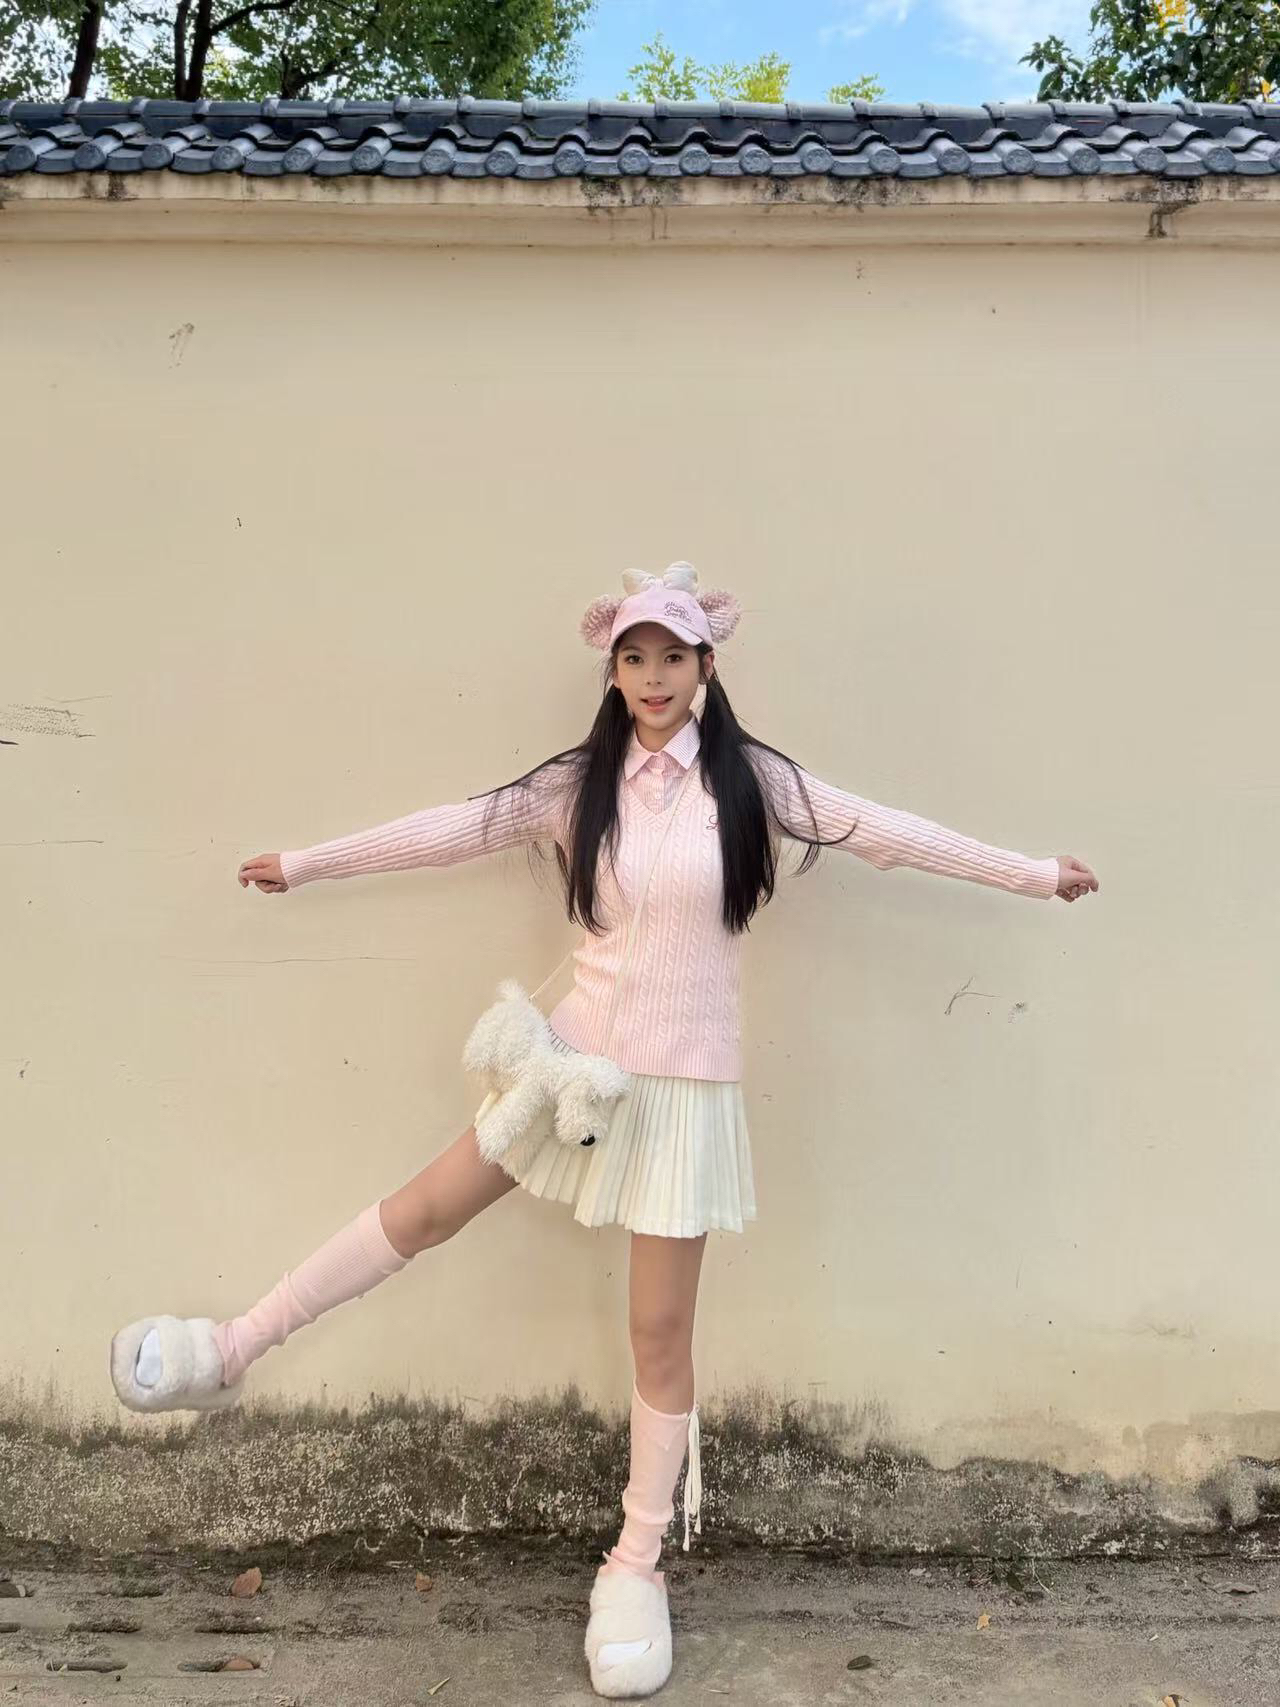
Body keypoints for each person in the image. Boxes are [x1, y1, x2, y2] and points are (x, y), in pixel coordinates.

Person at [108, 560, 1099, 1699]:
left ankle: (634, 1564)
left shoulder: (753, 781)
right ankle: (229, 1350)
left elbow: (885, 831)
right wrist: (306, 863)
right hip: (570, 1065)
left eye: (671, 656)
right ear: (614, 670)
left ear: (706, 665)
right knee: (424, 1209)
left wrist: (1033, 875)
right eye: (634, 657)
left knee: (658, 1333)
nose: (652, 676)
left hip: (682, 1094)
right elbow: (452, 829)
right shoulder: (579, 785)